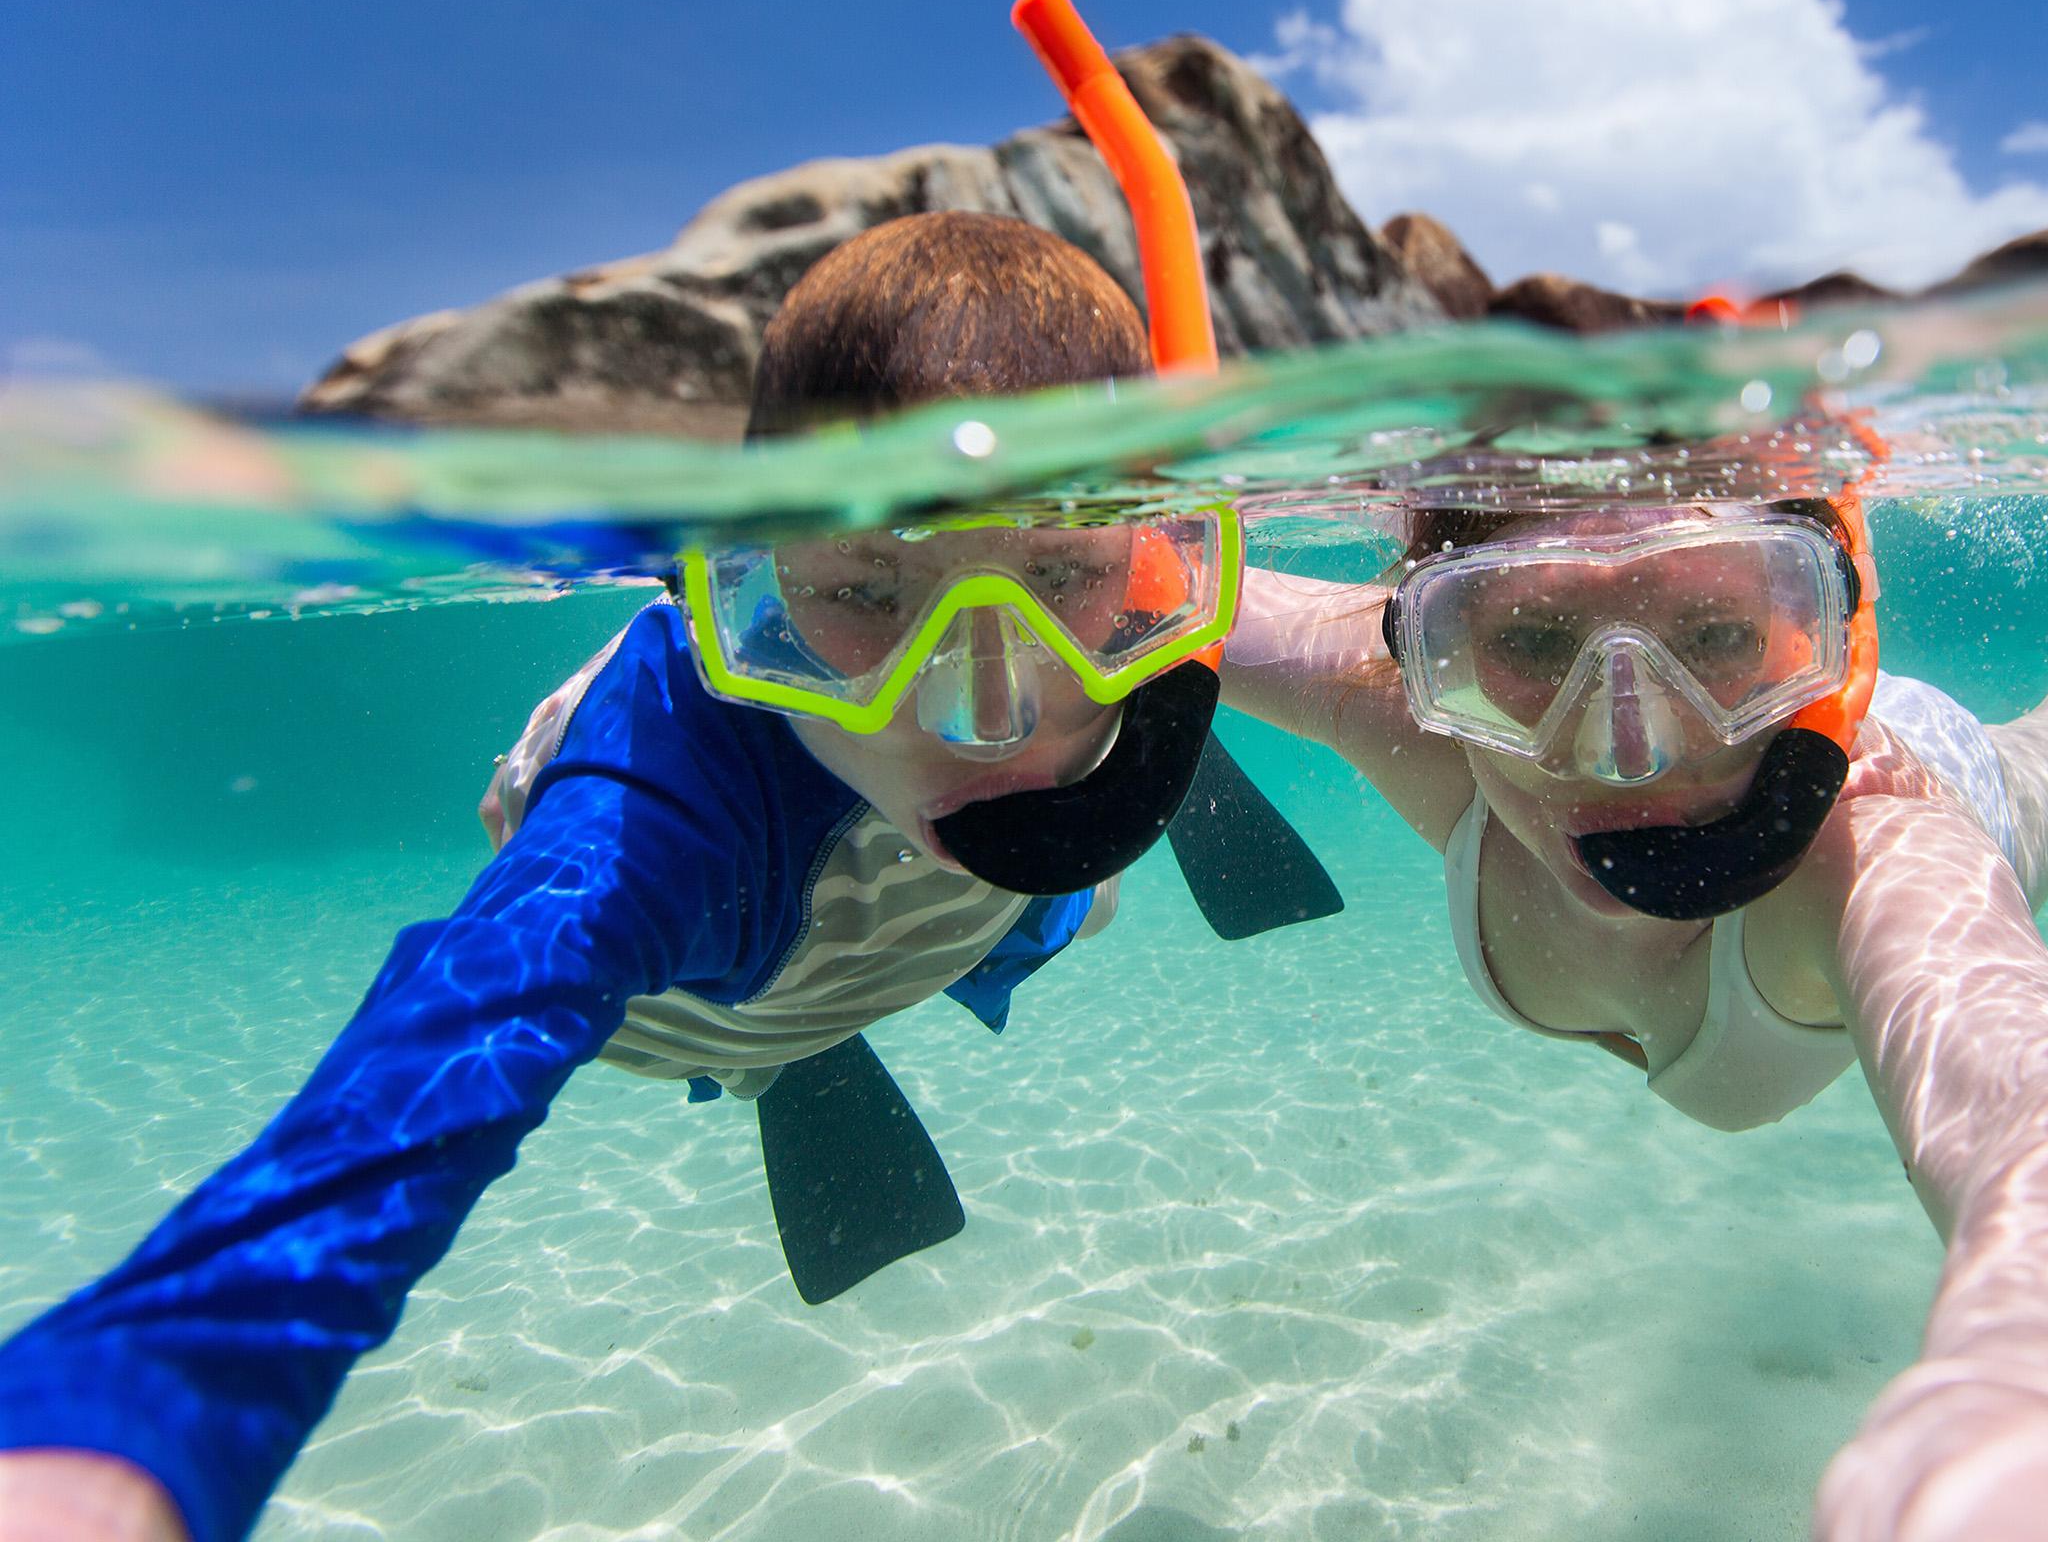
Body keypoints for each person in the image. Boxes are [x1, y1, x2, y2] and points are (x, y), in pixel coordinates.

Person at [0, 210, 1254, 1542]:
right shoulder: (663, 814)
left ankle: (916, 964)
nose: (980, 715)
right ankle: (780, 1059)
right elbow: (429, 1067)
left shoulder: (1140, 635)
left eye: (1059, 572)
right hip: (694, 997)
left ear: (1142, 557)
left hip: (943, 914)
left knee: (1068, 895)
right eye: (868, 595)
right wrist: (126, 1430)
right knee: (855, 935)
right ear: (749, 570)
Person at [1220, 483, 2048, 1541]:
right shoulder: (1403, 708)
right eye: (1538, 643)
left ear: (1824, 627)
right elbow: (1137, 582)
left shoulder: (1883, 860)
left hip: (1916, 779)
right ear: (1422, 647)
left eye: (1711, 631)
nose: (1627, 749)